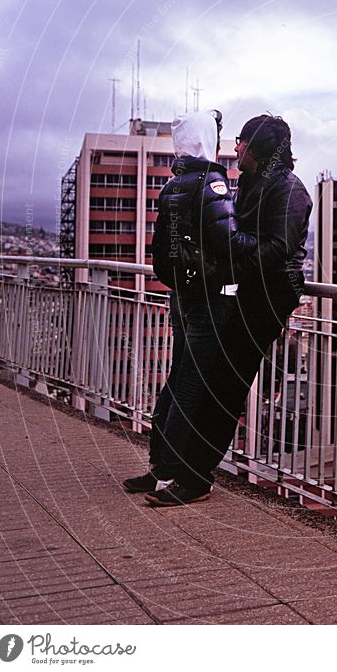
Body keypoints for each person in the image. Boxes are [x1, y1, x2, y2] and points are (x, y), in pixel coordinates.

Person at [173, 114, 312, 502]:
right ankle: (185, 470)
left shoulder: (289, 190)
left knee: (225, 385)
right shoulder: (257, 181)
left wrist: (230, 251)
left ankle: (195, 478)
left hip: (267, 296)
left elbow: (276, 250)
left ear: (259, 149)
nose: (235, 148)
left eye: (242, 142)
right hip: (248, 290)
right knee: (218, 381)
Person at [122, 110, 256, 504]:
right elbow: (230, 243)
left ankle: (158, 467)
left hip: (180, 294)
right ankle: (175, 473)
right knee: (192, 387)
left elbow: (161, 252)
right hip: (209, 298)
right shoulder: (210, 184)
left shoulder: (172, 186)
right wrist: (263, 251)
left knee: (176, 379)